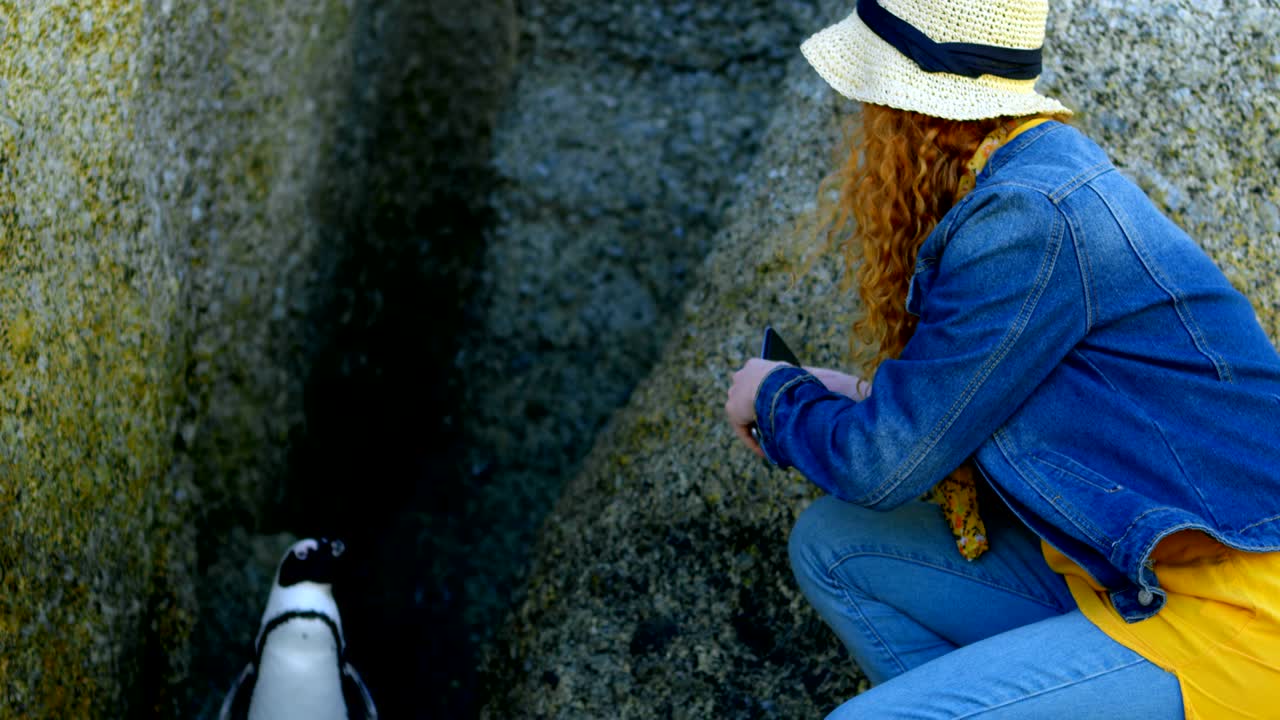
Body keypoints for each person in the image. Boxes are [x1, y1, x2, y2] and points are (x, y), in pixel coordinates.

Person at [724, 1, 1280, 718]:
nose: (863, 124)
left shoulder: (1028, 212)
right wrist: (860, 395)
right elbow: (979, 397)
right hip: (1134, 572)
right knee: (838, 545)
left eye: (871, 100)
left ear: (912, 109)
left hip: (1236, 614)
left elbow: (882, 464)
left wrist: (777, 399)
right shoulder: (1032, 170)